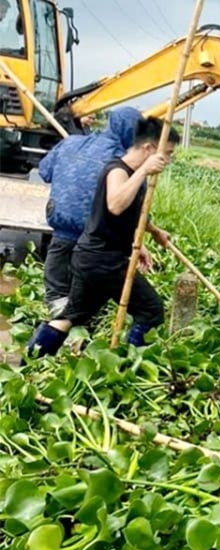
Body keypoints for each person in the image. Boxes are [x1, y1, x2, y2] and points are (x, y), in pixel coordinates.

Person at [23, 117, 177, 360]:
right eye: (167, 153)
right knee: (151, 309)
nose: (167, 160)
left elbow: (128, 214)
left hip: (91, 258)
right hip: (104, 261)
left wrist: (153, 233)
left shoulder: (131, 173)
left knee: (71, 316)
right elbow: (116, 204)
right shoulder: (118, 170)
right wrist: (145, 171)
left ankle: (28, 362)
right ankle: (130, 367)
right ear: (148, 148)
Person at [38, 106, 144, 317]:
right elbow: (131, 206)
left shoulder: (71, 142)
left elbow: (44, 171)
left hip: (60, 237)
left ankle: (46, 342)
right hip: (95, 248)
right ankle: (74, 341)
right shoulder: (124, 164)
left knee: (57, 299)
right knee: (84, 308)